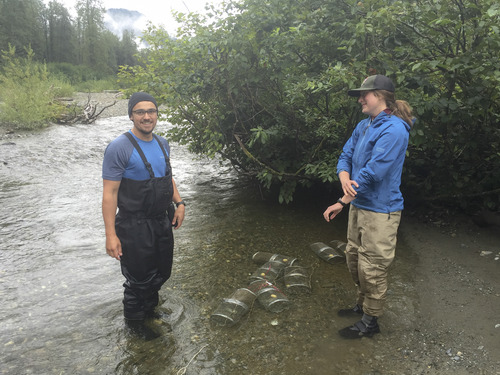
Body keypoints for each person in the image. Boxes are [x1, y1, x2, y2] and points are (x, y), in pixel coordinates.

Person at [323, 75, 414, 339]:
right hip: (359, 205)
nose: (361, 99)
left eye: (366, 94)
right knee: (354, 258)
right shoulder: (364, 125)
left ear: (382, 96)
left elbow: (374, 172)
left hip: (381, 210)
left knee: (372, 266)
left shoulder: (395, 129)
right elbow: (345, 156)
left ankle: (370, 322)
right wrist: (343, 177)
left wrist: (342, 200)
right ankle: (362, 306)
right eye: (361, 95)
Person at [102, 92, 185, 337]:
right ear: (131, 115)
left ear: (157, 114)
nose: (146, 116)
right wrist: (111, 235)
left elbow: (167, 177)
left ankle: (150, 312)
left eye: (151, 111)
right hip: (134, 224)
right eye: (140, 112)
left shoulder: (162, 143)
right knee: (138, 279)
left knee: (161, 271)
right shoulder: (119, 148)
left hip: (161, 220)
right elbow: (110, 194)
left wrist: (179, 203)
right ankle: (136, 327)